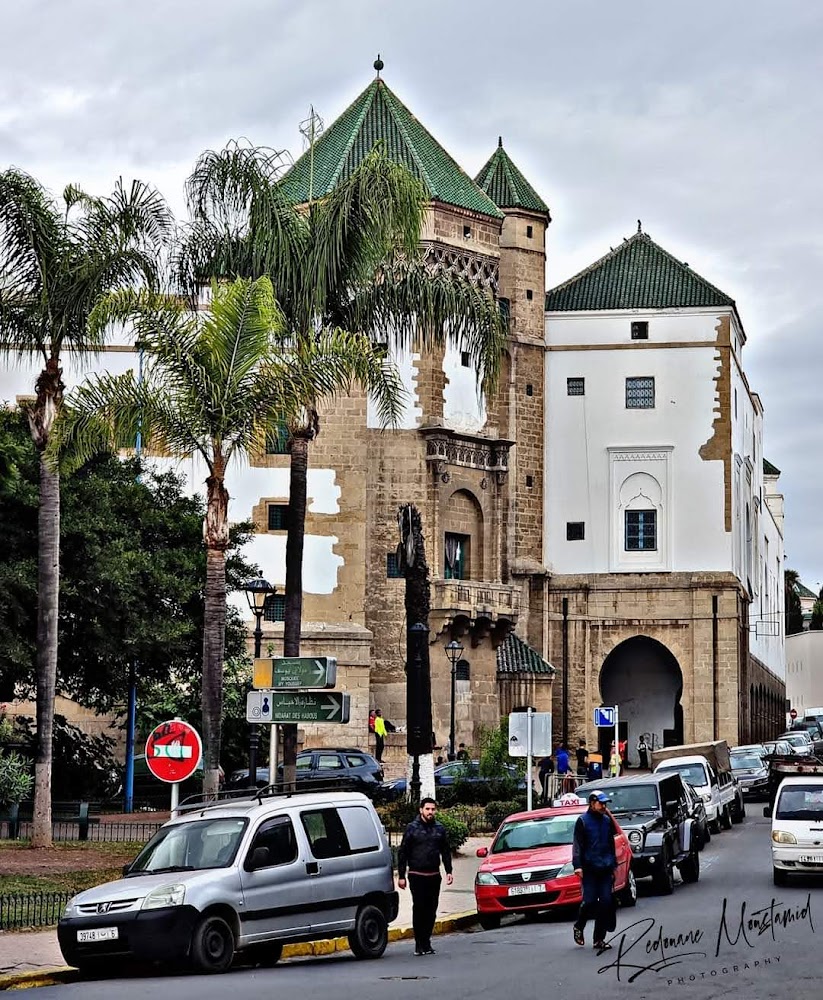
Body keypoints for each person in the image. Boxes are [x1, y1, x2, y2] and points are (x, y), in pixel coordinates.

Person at [397, 797, 454, 956]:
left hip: (434, 875)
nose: (430, 812)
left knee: (431, 909)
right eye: (427, 809)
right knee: (419, 908)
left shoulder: (439, 829)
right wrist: (401, 875)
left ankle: (427, 942)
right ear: (421, 810)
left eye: (433, 809)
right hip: (417, 875)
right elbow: (403, 852)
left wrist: (449, 871)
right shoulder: (412, 828)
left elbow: (445, 851)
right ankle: (419, 943)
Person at [572, 790, 618, 952]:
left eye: (605, 803)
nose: (604, 806)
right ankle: (579, 925)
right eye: (601, 803)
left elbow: (611, 844)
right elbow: (577, 845)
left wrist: (614, 866)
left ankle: (599, 938)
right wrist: (577, 865)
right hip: (589, 869)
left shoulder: (606, 821)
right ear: (592, 803)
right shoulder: (582, 821)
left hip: (605, 868)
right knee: (590, 901)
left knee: (606, 902)